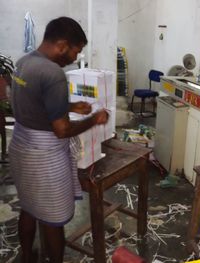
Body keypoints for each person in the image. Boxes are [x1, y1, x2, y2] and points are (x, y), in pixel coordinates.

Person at [9, 17, 109, 263]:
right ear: (63, 45)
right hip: (44, 158)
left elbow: (34, 101)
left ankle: (26, 256)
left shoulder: (24, 63)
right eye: (76, 50)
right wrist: (94, 120)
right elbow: (62, 130)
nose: (75, 58)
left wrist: (71, 105)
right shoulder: (54, 73)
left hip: (21, 146)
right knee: (53, 218)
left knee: (29, 207)